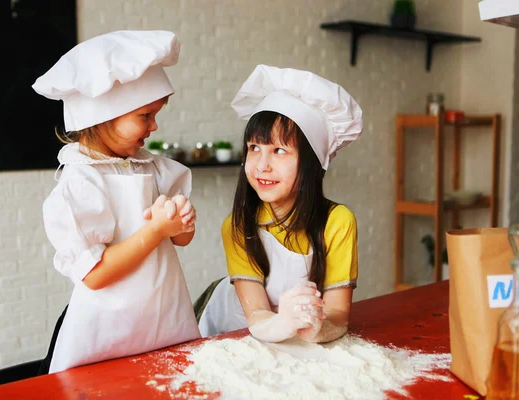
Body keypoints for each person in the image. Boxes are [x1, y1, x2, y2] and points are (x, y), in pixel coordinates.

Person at [33, 30, 201, 373]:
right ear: (103, 115)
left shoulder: (152, 166)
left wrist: (180, 220)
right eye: (145, 115)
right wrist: (155, 231)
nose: (155, 126)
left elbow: (182, 239)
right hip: (105, 341)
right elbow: (94, 275)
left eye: (157, 113)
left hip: (163, 326)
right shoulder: (81, 182)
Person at [197, 65, 363, 344]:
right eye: (254, 148)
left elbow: (338, 316)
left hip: (286, 335)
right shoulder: (238, 225)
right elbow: (258, 315)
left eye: (279, 150)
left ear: (311, 163)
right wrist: (284, 322)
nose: (262, 165)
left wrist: (316, 328)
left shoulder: (337, 222)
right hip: (230, 330)